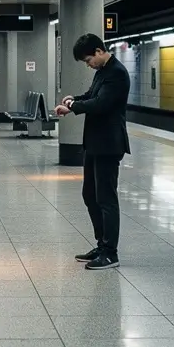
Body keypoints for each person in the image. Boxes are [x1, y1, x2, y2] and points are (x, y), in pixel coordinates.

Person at [54, 33, 131, 270]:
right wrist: (73, 100)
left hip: (109, 144)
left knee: (106, 198)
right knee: (90, 195)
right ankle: (101, 244)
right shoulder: (102, 72)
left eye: (88, 60)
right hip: (95, 143)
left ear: (99, 51)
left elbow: (101, 104)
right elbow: (92, 96)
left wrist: (72, 109)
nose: (88, 65)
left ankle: (111, 253)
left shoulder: (117, 73)